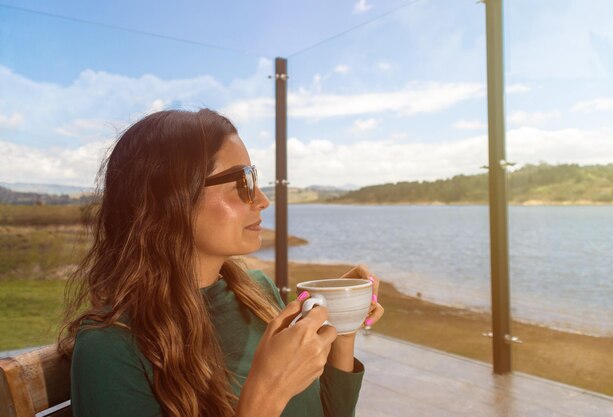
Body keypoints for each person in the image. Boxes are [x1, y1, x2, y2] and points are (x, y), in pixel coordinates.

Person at [57, 109, 384, 417]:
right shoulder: (110, 349)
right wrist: (267, 394)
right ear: (169, 200)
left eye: (253, 179)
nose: (262, 200)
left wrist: (342, 326)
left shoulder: (257, 293)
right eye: (242, 182)